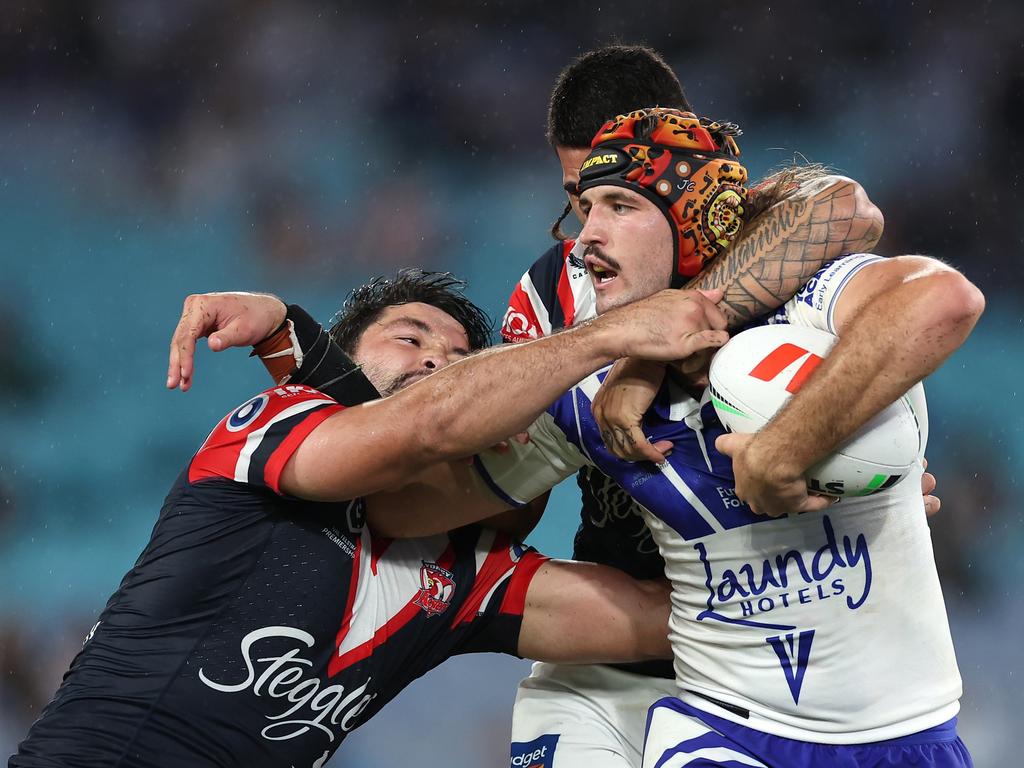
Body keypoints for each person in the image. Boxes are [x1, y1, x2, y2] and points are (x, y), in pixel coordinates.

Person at [12, 270, 723, 768]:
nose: (438, 363)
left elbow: (685, 617)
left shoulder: (465, 577)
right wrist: (609, 344)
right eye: (410, 341)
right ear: (344, 367)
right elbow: (425, 427)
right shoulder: (272, 425)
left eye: (460, 359)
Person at [465, 109, 983, 765]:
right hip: (720, 725)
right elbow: (438, 472)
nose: (587, 235)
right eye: (584, 208)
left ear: (694, 222)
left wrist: (787, 446)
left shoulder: (810, 303)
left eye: (620, 205)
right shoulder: (586, 380)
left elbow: (945, 298)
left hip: (912, 731)